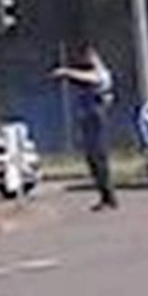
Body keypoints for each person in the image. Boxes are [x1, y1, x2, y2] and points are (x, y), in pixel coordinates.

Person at [53, 44, 117, 211]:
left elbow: (92, 78)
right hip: (88, 120)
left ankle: (109, 196)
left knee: (99, 157)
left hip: (97, 120)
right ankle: (104, 196)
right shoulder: (87, 76)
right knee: (92, 159)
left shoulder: (102, 73)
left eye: (87, 57)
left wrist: (66, 72)